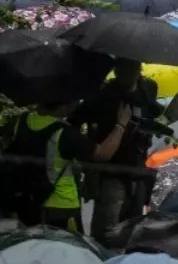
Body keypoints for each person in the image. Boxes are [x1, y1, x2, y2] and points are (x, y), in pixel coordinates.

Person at [7, 98, 130, 232]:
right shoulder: (64, 133)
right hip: (62, 207)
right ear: (64, 106)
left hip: (29, 204)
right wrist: (121, 124)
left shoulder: (23, 121)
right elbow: (102, 154)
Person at [78, 58, 163, 244]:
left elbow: (153, 113)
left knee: (131, 227)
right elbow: (77, 118)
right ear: (116, 71)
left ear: (139, 69)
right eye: (122, 70)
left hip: (137, 167)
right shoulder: (104, 93)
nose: (126, 74)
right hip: (111, 169)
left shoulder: (147, 88)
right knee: (106, 229)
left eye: (132, 69)